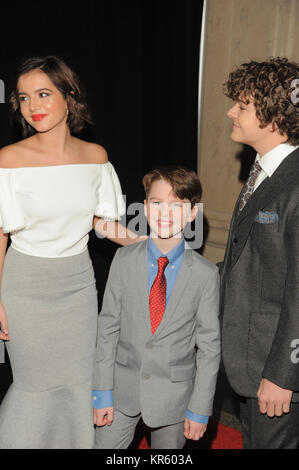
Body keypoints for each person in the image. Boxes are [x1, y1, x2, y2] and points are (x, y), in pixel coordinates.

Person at [0, 55, 143, 449]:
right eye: (24, 98)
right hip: (25, 286)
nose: (33, 107)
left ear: (70, 95)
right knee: (35, 385)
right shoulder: (9, 160)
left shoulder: (95, 157)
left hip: (78, 286)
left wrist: (151, 245)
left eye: (44, 94)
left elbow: (102, 223)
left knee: (81, 382)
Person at [92, 165, 220, 449]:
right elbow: (107, 329)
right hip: (121, 390)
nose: (165, 213)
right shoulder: (123, 260)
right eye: (157, 203)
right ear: (145, 209)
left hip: (174, 397)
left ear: (192, 214)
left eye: (177, 206)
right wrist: (101, 391)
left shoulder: (205, 274)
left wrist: (200, 408)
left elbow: (210, 349)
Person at [220, 57, 299, 449]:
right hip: (251, 364)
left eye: (243, 106)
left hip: (277, 372)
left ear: (274, 117)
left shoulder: (295, 183)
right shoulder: (263, 171)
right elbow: (248, 263)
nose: (231, 112)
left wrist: (286, 374)